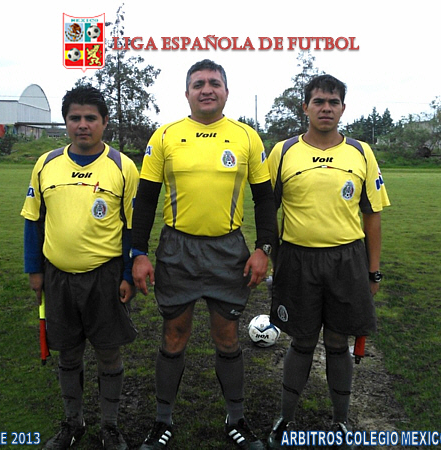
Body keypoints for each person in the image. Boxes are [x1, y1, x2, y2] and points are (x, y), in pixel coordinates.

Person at [131, 59, 277, 449]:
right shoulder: (165, 136)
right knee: (174, 334)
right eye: (198, 84)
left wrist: (263, 249)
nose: (207, 89)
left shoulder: (247, 137)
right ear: (187, 93)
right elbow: (145, 200)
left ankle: (237, 419)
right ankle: (162, 421)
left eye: (214, 83)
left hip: (228, 250)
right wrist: (138, 253)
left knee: (227, 336)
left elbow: (265, 199)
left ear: (226, 91)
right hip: (177, 249)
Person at [266, 74, 391, 449]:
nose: (326, 108)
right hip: (297, 259)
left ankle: (340, 421)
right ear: (305, 107)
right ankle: (285, 419)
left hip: (346, 260)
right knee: (302, 341)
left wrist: (373, 272)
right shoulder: (283, 151)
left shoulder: (361, 152)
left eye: (333, 102)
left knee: (337, 342)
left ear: (343, 108)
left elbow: (372, 215)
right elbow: (267, 211)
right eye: (318, 101)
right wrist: (272, 258)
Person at [21, 85, 139, 450]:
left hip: (105, 277)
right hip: (57, 277)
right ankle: (73, 422)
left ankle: (110, 426)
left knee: (108, 352)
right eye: (75, 118)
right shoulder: (46, 163)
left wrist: (126, 275)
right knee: (68, 352)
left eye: (90, 118)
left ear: (105, 121)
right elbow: (32, 220)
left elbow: (132, 228)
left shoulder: (122, 166)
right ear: (66, 122)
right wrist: (35, 270)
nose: (82, 125)